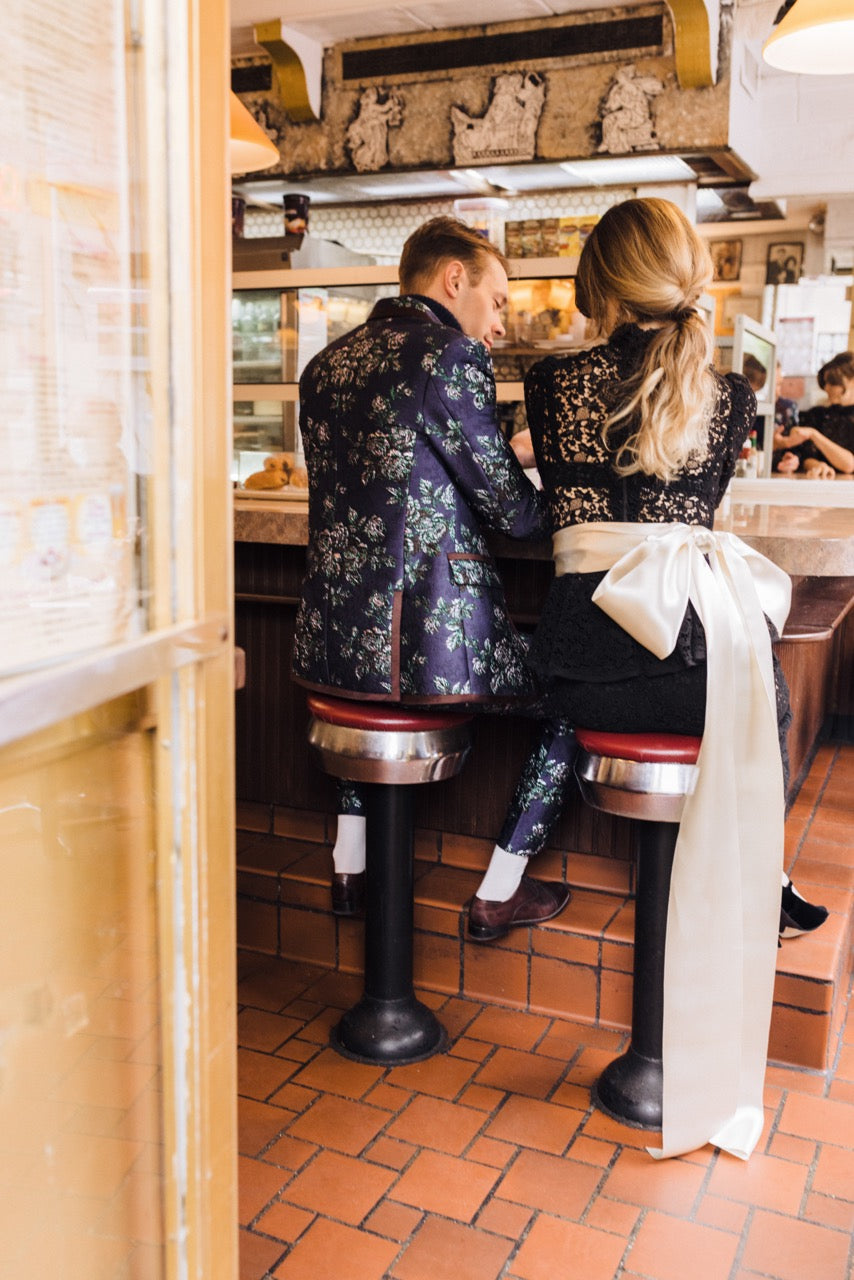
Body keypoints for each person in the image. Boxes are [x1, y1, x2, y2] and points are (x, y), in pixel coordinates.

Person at [522, 197, 826, 1159]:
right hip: (694, 666)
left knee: (744, 694)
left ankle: (759, 877)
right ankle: (764, 874)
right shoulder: (731, 392)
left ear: (600, 282)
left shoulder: (549, 380)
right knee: (759, 698)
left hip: (585, 668)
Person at [292, 216, 574, 940]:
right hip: (426, 648)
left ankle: (349, 864)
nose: (501, 322)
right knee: (574, 699)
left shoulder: (326, 363)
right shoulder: (448, 354)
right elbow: (511, 513)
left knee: (361, 697)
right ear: (455, 279)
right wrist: (560, 489)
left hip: (332, 648)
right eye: (500, 299)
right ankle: (499, 889)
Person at [779, 351, 854, 477]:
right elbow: (806, 456)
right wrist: (816, 465)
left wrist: (814, 434)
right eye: (825, 383)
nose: (827, 388)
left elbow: (849, 465)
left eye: (833, 382)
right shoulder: (817, 414)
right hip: (818, 485)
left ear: (852, 380)